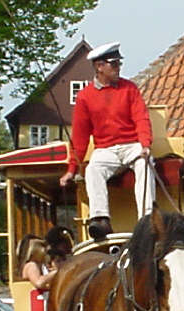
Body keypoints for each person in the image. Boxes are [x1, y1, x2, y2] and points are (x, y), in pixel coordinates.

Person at [59, 41, 155, 240]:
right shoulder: (85, 97)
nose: (118, 68)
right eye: (114, 64)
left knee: (145, 165)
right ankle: (100, 219)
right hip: (106, 149)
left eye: (119, 63)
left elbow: (141, 118)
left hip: (132, 145)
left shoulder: (130, 89)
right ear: (99, 66)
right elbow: (80, 136)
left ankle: (147, 219)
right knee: (94, 169)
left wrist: (145, 144)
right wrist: (71, 169)